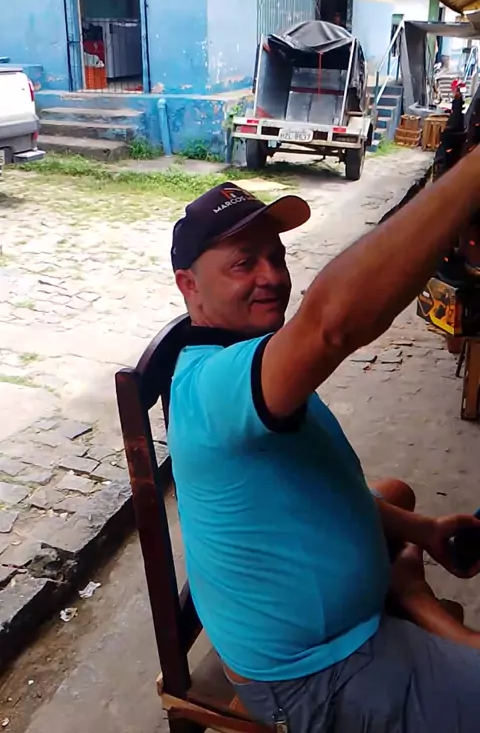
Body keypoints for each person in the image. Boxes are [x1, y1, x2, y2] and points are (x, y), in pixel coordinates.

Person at [168, 155, 480, 732]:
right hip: (314, 676)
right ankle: (417, 609)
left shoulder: (250, 360)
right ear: (189, 285)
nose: (272, 277)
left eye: (276, 257)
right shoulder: (218, 386)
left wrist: (423, 532)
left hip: (321, 630)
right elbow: (331, 324)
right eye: (244, 263)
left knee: (395, 493)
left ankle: (411, 599)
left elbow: (319, 487)